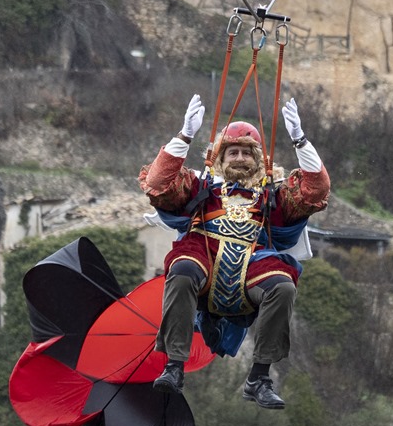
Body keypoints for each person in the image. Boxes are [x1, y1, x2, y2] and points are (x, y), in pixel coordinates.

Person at [138, 93, 330, 409]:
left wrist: (300, 140)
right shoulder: (200, 190)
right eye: (232, 152)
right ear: (220, 158)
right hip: (204, 260)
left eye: (246, 153)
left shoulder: (272, 198)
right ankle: (174, 365)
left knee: (282, 286)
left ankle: (259, 376)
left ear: (258, 160)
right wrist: (184, 136)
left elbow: (316, 191)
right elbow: (158, 183)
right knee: (182, 269)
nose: (239, 158)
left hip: (252, 266)